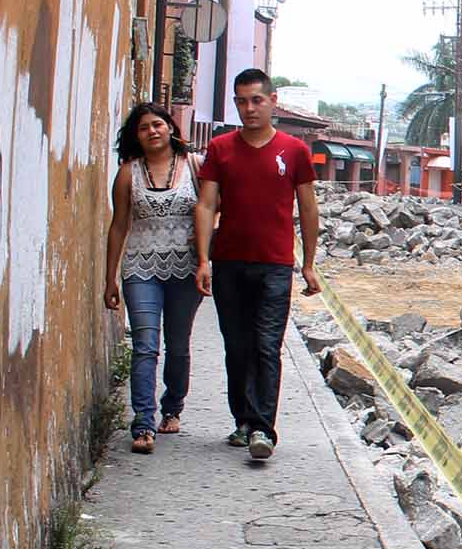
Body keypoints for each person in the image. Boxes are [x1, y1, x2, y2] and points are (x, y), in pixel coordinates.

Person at [194, 68, 322, 461]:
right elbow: (206, 203)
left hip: (276, 265)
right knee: (237, 346)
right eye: (242, 101)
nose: (249, 109)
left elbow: (308, 206)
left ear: (272, 102)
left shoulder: (294, 151)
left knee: (267, 345)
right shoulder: (220, 149)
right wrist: (203, 259)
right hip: (229, 262)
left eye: (256, 100)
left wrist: (310, 263)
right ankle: (244, 419)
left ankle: (263, 428)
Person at [103, 103, 203, 454]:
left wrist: (208, 256)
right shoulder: (128, 173)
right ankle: (143, 423)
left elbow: (214, 208)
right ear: (136, 136)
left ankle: (172, 407)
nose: (152, 131)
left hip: (185, 269)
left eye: (157, 124)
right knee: (145, 345)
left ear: (171, 129)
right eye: (143, 127)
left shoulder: (195, 166)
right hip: (140, 268)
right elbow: (119, 226)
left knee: (178, 344)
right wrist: (109, 278)